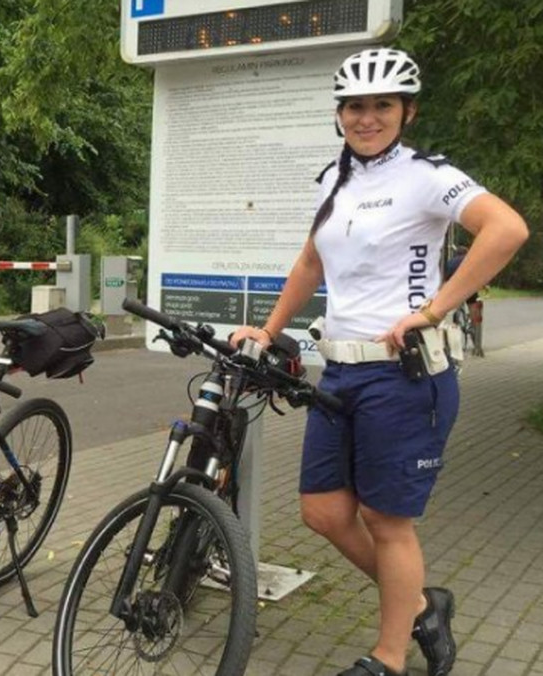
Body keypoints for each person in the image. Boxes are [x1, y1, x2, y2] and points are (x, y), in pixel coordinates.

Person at [231, 48, 527, 676]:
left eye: (382, 105)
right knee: (324, 512)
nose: (367, 118)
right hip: (338, 370)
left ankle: (389, 658)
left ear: (407, 112)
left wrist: (435, 308)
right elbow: (312, 263)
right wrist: (267, 330)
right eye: (355, 106)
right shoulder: (334, 178)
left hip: (405, 377)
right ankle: (422, 602)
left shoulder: (425, 175)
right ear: (339, 114)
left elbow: (506, 229)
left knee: (387, 522)